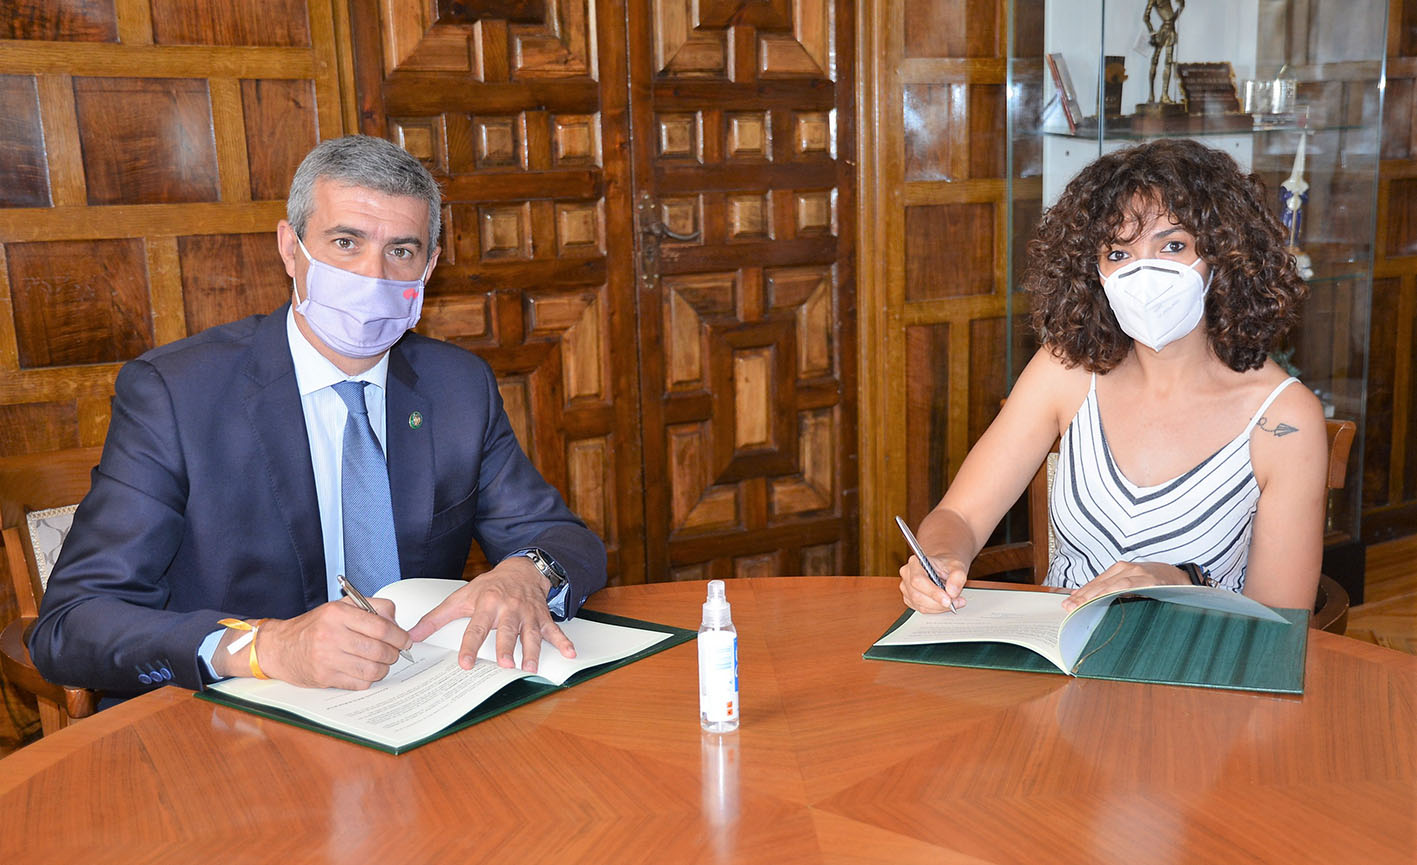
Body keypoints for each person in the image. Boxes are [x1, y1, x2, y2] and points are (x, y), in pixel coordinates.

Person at [30, 135, 607, 701]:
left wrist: (527, 574)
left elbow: (562, 539)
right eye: (346, 242)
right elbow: (73, 624)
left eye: (401, 251)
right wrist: (266, 647)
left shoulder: (457, 386)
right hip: (231, 725)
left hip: (415, 701)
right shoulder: (177, 394)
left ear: (429, 267)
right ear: (290, 247)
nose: (373, 276)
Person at [899, 138, 1327, 616]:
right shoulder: (1065, 370)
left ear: (1227, 256)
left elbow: (1282, 622)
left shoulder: (1285, 418)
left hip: (1194, 669)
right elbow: (960, 514)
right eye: (1119, 253)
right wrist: (939, 557)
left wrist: (1180, 581)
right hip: (1056, 648)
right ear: (1092, 271)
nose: (1144, 272)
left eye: (1173, 245)